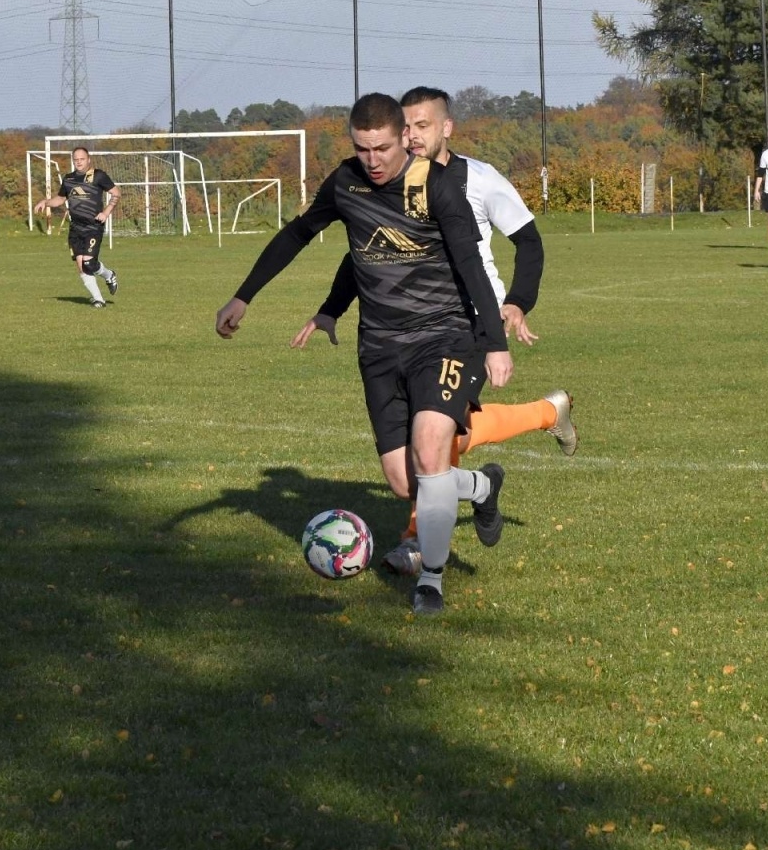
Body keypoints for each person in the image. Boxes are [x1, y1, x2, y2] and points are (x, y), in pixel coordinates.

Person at [215, 93, 512, 616]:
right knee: (406, 482)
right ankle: (481, 486)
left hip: (445, 337)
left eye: (382, 148)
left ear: (405, 139)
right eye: (362, 148)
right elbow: (302, 234)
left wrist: (494, 343)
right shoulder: (346, 183)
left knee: (430, 446)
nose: (373, 160)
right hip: (379, 347)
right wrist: (245, 294)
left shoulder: (436, 187)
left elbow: (469, 265)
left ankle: (431, 581)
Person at [291, 86, 576, 573]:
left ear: (446, 128)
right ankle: (543, 417)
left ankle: (417, 542)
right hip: (407, 327)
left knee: (434, 442)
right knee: (437, 444)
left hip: (466, 323)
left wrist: (515, 304)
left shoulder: (477, 179)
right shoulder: (395, 183)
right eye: (409, 126)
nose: (414, 136)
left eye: (423, 126)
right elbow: (368, 252)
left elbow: (529, 241)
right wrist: (331, 308)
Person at [32, 146, 120, 307]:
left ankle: (109, 275)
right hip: (75, 228)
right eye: (76, 159)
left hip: (94, 226)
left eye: (82, 159)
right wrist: (45, 202)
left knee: (89, 263)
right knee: (81, 266)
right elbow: (60, 199)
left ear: (88, 159)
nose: (79, 162)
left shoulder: (99, 176)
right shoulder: (69, 179)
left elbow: (116, 193)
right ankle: (99, 299)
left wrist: (106, 212)